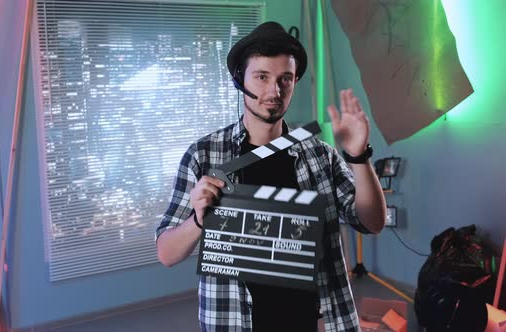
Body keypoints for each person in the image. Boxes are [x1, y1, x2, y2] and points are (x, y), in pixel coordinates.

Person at [156, 21, 386, 332]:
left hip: (311, 320)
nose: (274, 92)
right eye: (262, 77)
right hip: (236, 321)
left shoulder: (320, 155)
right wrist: (198, 219)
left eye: (285, 80)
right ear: (240, 79)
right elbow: (167, 254)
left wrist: (359, 157)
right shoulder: (204, 155)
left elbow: (372, 222)